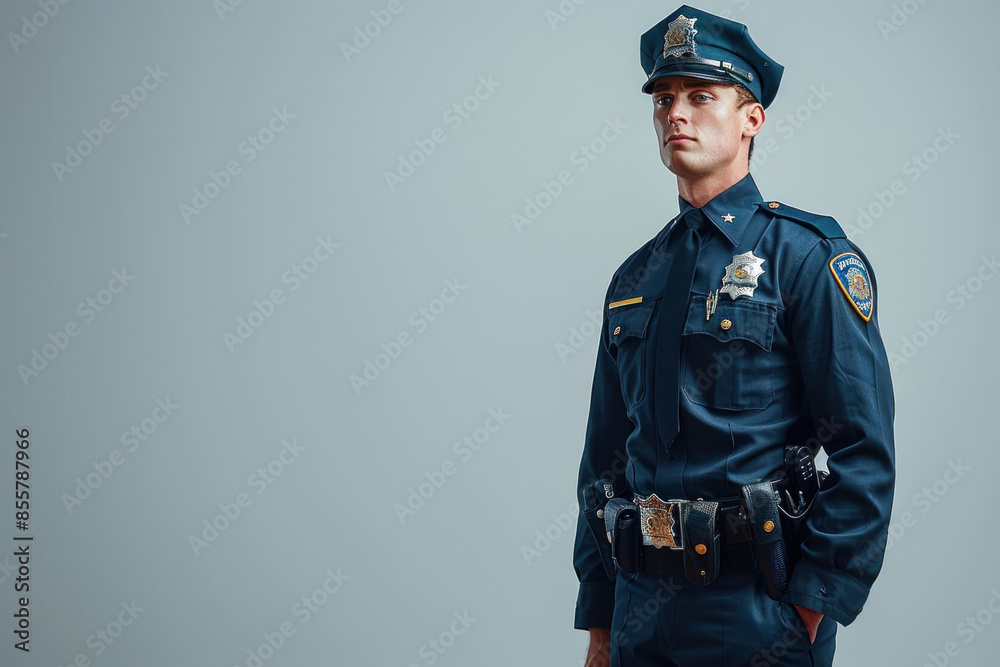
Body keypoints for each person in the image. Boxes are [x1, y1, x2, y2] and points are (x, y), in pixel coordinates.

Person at [572, 6, 895, 666]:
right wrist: (600, 619)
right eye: (663, 99)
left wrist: (811, 605)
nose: (675, 114)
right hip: (639, 607)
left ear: (752, 118)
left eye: (700, 96)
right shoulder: (634, 279)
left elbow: (863, 447)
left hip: (756, 607)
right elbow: (603, 461)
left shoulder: (806, 258)